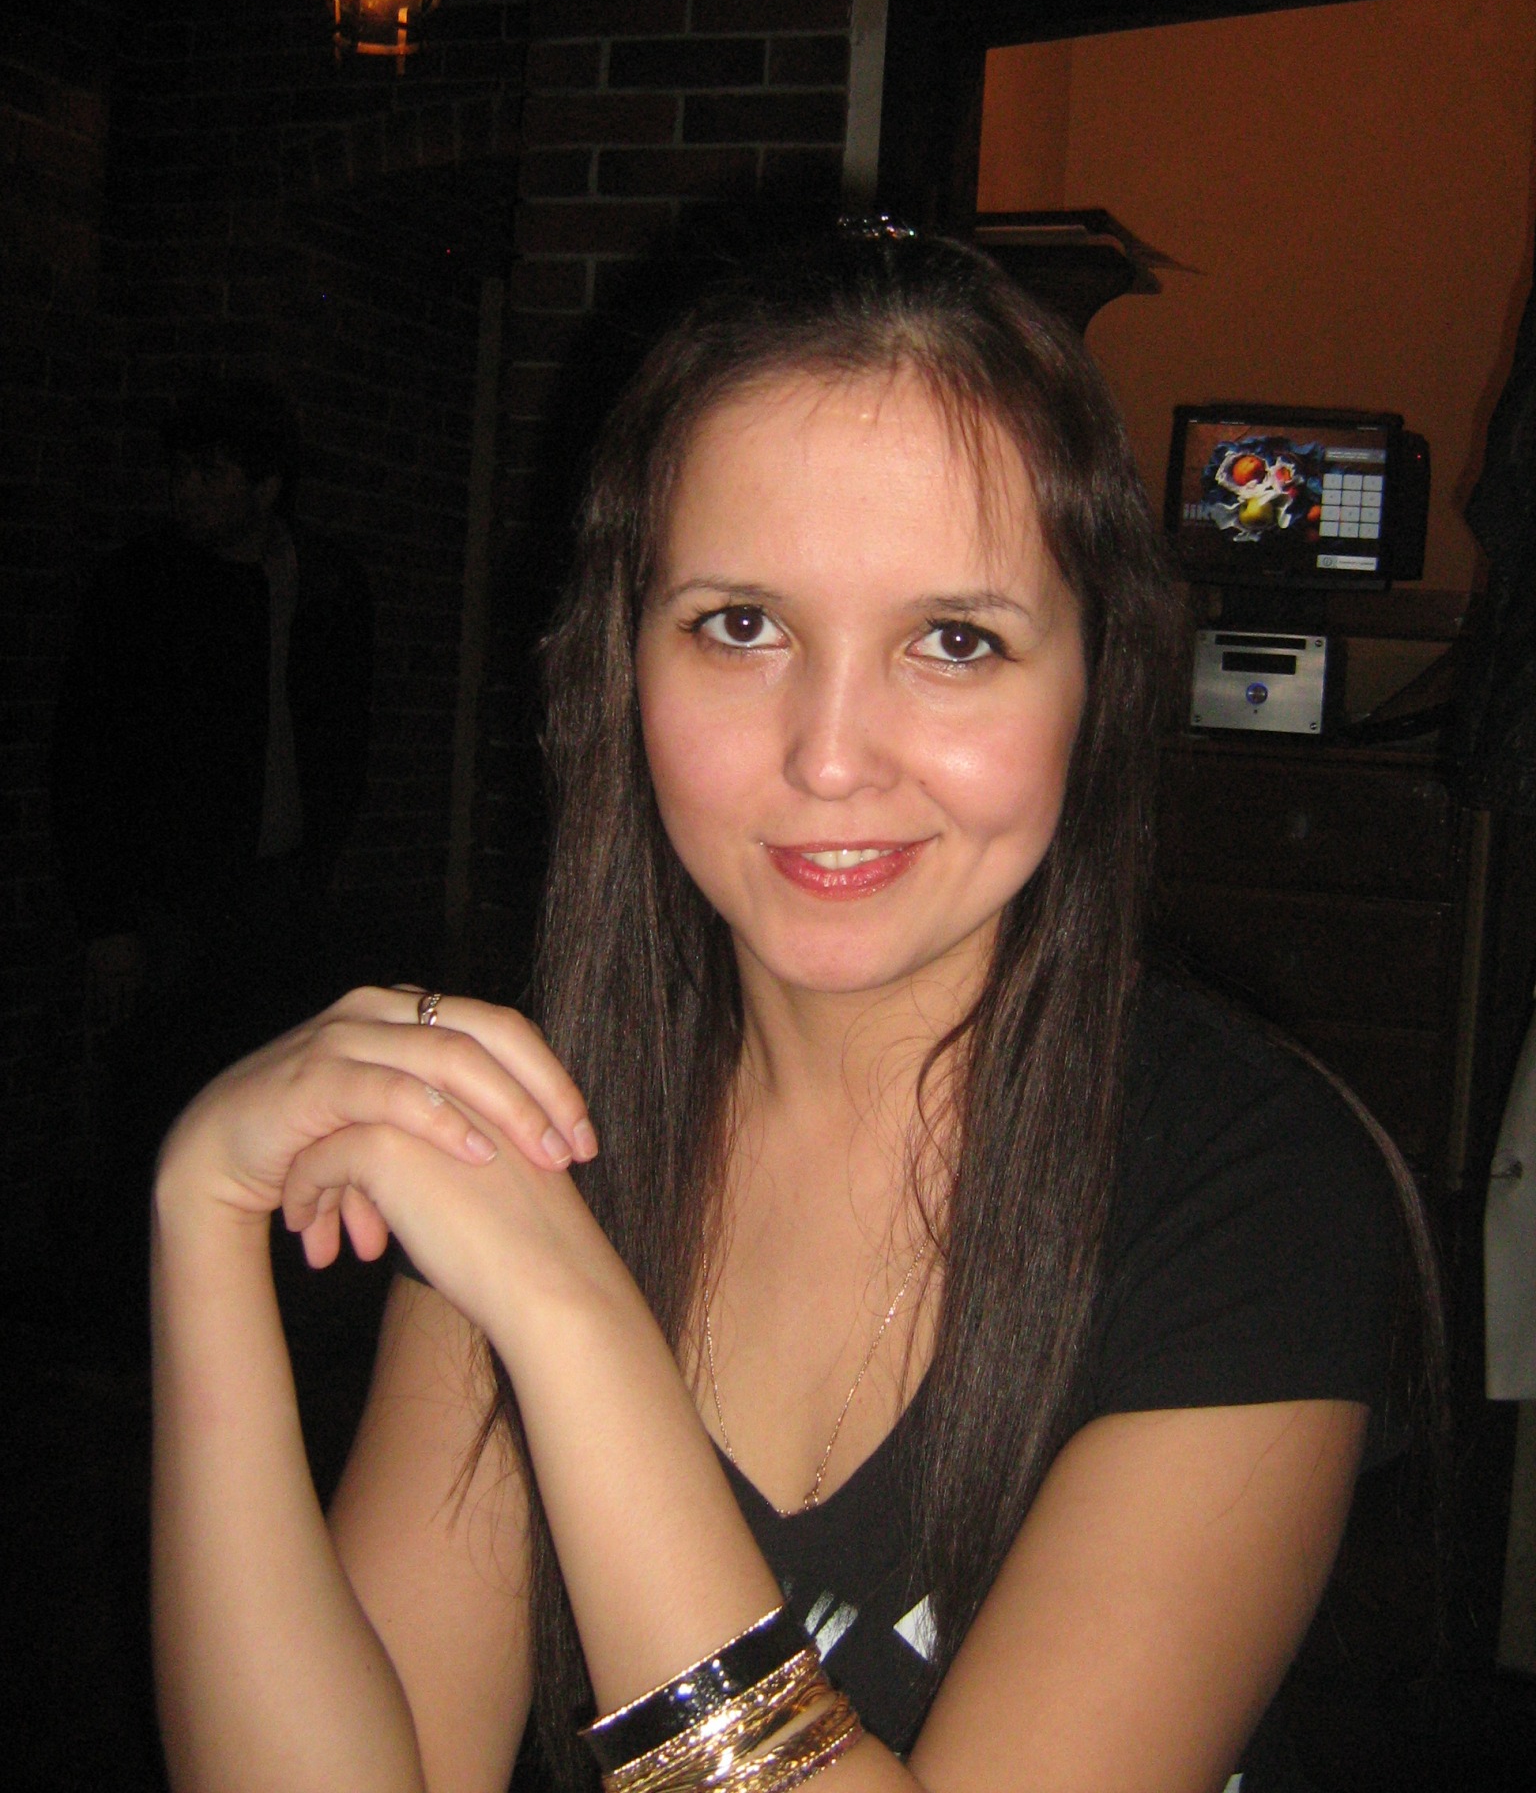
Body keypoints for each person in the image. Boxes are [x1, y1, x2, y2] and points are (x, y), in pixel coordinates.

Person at [150, 231, 1409, 1793]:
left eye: (955, 641)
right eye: (742, 625)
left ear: (1096, 685)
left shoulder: (1251, 1187)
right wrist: (200, 1222)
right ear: (623, 660)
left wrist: (566, 1318)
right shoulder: (538, 1119)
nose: (828, 756)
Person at [50, 377, 372, 1340]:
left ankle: (259, 1313)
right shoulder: (140, 587)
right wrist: (108, 919)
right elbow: (87, 756)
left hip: (277, 889)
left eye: (211, 473)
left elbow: (344, 725)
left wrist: (325, 852)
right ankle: (132, 1323)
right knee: (155, 1101)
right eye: (180, 473)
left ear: (266, 485)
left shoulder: (323, 581)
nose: (188, 492)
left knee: (271, 1094)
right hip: (172, 896)